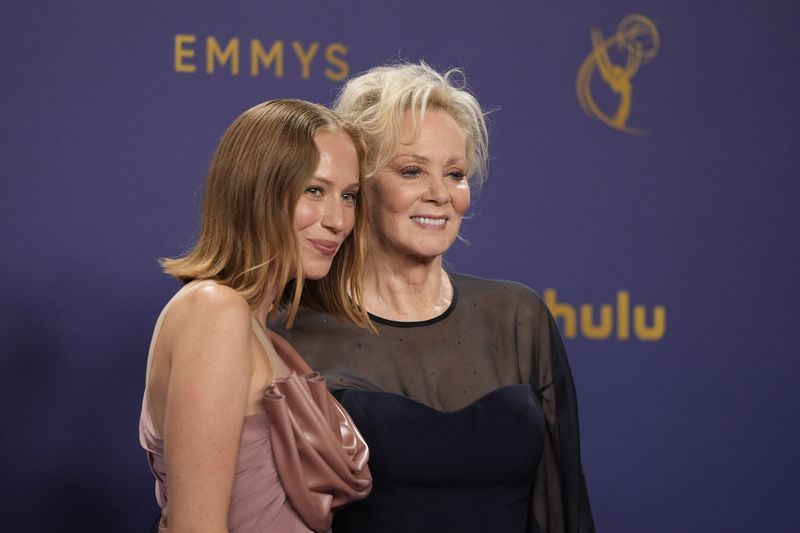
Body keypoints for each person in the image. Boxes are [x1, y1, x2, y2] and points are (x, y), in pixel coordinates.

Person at [273, 63, 595, 532]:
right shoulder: (290, 332)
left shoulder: (517, 318)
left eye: (456, 174)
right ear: (360, 186)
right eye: (412, 171)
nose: (440, 194)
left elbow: (562, 508)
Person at [139, 99, 373, 533]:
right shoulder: (214, 311)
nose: (338, 220)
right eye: (314, 190)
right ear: (256, 190)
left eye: (349, 196)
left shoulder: (262, 329)